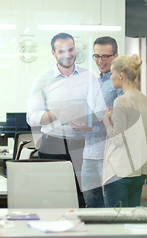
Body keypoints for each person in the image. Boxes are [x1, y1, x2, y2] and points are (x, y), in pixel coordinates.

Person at [26, 32, 100, 208]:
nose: (68, 54)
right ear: (54, 53)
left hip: (84, 146)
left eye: (71, 49)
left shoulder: (89, 77)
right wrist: (57, 112)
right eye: (61, 51)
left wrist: (90, 124)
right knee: (52, 199)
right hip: (53, 145)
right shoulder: (42, 80)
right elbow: (31, 118)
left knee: (85, 199)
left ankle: (84, 234)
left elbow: (98, 111)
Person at [102, 54, 147, 207]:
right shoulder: (146, 100)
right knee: (131, 222)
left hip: (119, 172)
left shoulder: (121, 100)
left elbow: (118, 140)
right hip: (138, 172)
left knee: (117, 224)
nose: (110, 77)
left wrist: (107, 121)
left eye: (112, 73)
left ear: (120, 74)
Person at [81, 36, 123, 208]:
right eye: (96, 56)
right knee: (90, 206)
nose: (100, 60)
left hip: (109, 155)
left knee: (111, 207)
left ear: (115, 56)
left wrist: (98, 121)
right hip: (88, 154)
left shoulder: (120, 83)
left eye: (105, 56)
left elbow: (123, 116)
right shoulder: (94, 83)